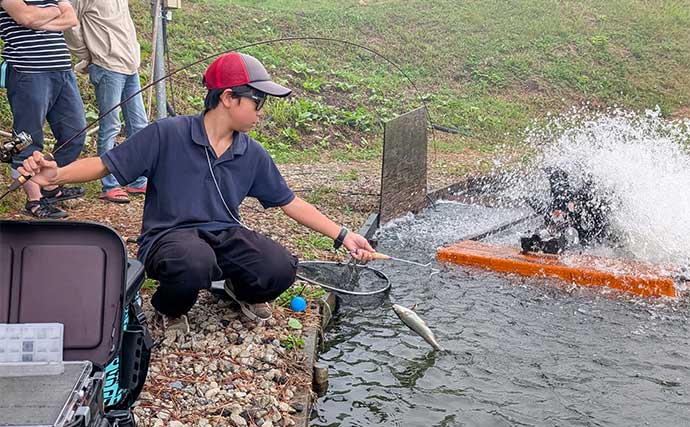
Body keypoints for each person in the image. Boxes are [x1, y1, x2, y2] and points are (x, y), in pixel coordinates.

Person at [18, 52, 376, 330]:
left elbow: (289, 202)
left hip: (224, 235)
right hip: (169, 238)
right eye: (258, 102)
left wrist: (343, 235)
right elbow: (105, 164)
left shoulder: (251, 152)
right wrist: (58, 174)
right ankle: (168, 309)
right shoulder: (167, 134)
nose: (261, 113)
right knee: (193, 263)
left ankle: (239, 290)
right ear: (229, 98)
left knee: (280, 266)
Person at [0, 0, 86, 218]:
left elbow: (71, 18)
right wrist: (54, 12)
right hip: (27, 71)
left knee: (74, 133)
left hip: (62, 71)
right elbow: (24, 17)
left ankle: (50, 185)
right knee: (26, 138)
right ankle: (34, 201)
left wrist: (40, 20)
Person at [64, 0, 148, 203]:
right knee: (110, 125)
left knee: (139, 124)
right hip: (107, 66)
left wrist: (134, 53)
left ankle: (137, 180)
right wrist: (88, 55)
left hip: (130, 65)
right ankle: (109, 184)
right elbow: (70, 24)